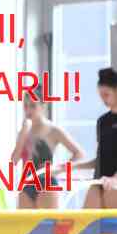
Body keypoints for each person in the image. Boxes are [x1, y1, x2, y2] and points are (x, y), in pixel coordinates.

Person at [11, 88, 84, 209]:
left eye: (33, 106)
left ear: (43, 106)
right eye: (25, 106)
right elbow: (14, 160)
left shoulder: (53, 130)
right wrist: (23, 135)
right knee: (25, 221)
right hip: (27, 182)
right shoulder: (24, 131)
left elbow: (79, 153)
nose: (28, 110)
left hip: (47, 182)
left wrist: (59, 169)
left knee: (47, 221)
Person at [59, 67, 117, 209]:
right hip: (99, 181)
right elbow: (101, 159)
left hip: (113, 183)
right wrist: (72, 167)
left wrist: (114, 179)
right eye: (101, 95)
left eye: (106, 94)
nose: (103, 99)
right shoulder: (102, 122)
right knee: (85, 221)